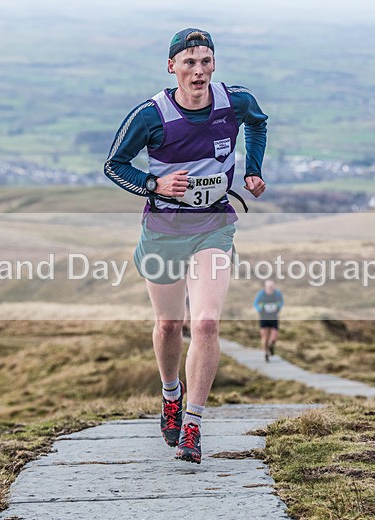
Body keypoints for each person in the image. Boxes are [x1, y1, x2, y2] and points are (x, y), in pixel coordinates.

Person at [104, 28, 267, 464]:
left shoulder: (235, 102)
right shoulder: (151, 115)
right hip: (163, 230)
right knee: (169, 325)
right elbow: (114, 165)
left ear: (214, 65)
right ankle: (171, 395)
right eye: (189, 62)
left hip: (213, 225)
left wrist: (252, 170)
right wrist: (155, 183)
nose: (199, 71)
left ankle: (192, 424)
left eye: (206, 61)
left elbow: (258, 123)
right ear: (172, 66)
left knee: (208, 323)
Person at [253, 279, 284, 362]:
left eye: (272, 286)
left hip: (274, 317)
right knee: (265, 337)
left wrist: (279, 307)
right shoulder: (261, 294)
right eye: (269, 286)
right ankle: (266, 353)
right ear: (265, 287)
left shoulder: (277, 293)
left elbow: (281, 301)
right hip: (264, 317)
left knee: (274, 338)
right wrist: (259, 309)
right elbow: (255, 303)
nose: (270, 287)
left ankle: (271, 347)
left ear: (274, 286)